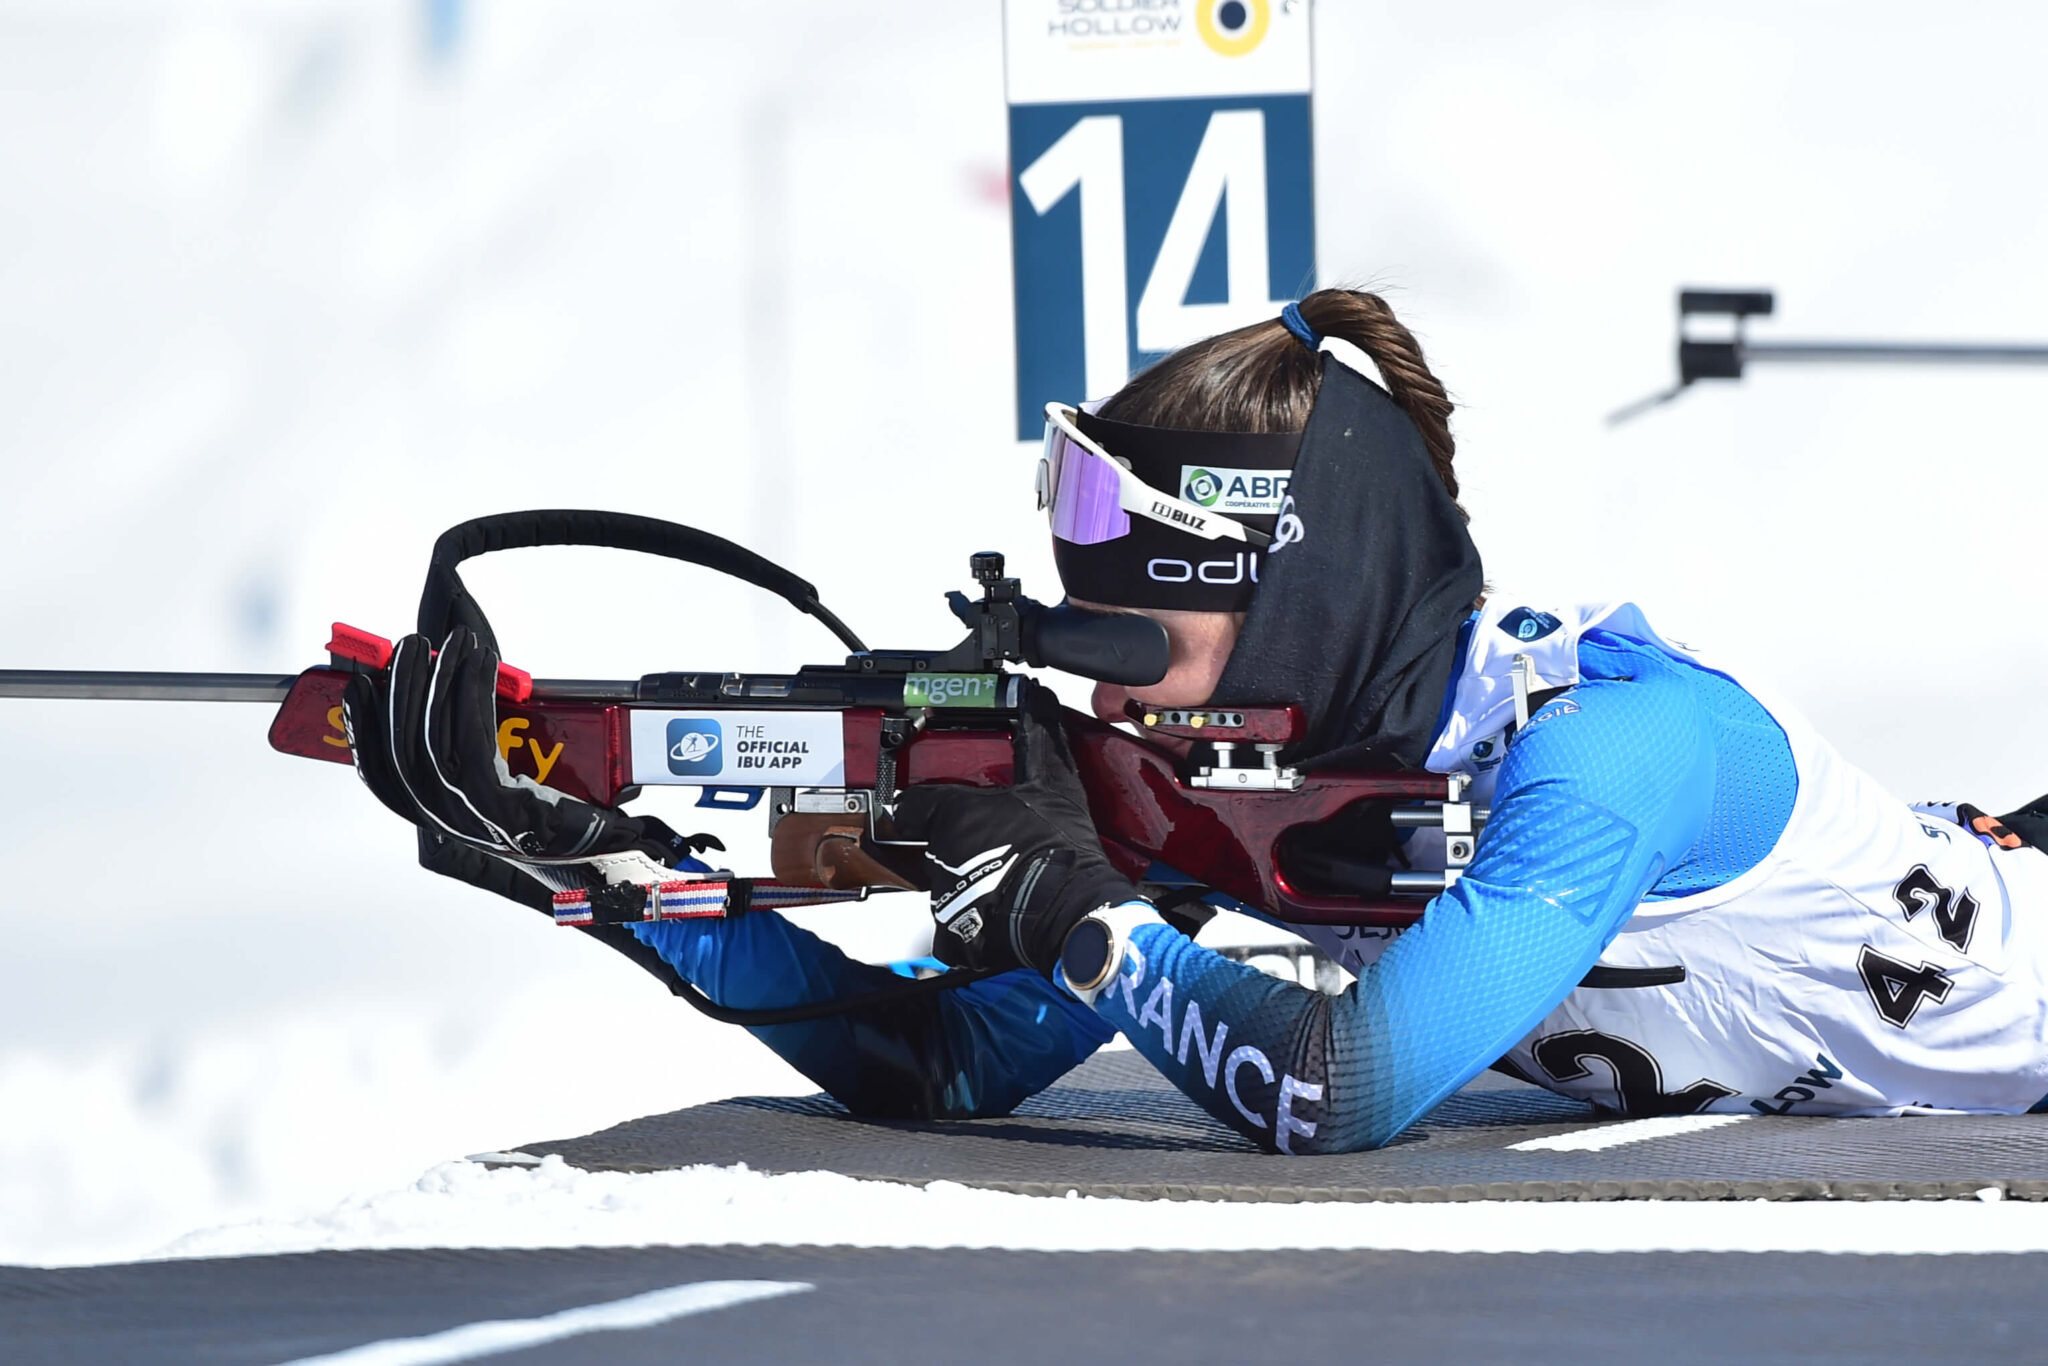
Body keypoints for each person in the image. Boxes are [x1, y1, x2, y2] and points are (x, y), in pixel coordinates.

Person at [345, 288, 2048, 1154]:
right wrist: (610, 877)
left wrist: (1070, 914)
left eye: (1136, 606)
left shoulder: (1613, 753)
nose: (1100, 659)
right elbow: (939, 1062)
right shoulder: (1266, 794)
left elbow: (1343, 1090)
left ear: (1293, 582)